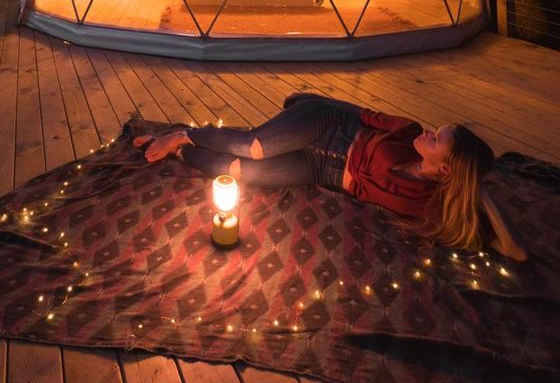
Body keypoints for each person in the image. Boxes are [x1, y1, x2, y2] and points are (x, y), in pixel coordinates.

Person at [133, 93, 527, 261]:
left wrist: (479, 189)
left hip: (322, 171)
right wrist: (312, 101)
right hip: (326, 126)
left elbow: (515, 251)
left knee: (238, 172)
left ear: (447, 169)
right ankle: (181, 132)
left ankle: (183, 150)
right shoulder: (408, 129)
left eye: (438, 138)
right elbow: (356, 112)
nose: (429, 133)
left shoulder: (431, 204)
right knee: (254, 146)